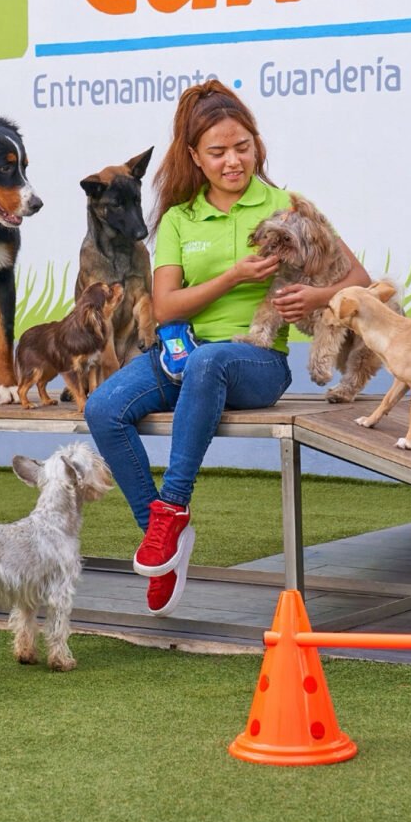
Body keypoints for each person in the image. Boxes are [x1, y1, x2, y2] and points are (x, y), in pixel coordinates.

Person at [84, 80, 370, 616]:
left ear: (256, 145)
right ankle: (162, 535)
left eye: (242, 147)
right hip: (181, 354)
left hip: (255, 362)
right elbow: (166, 308)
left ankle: (173, 504)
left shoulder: (286, 205)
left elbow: (360, 278)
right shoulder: (179, 218)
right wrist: (234, 276)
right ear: (195, 157)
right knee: (103, 407)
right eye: (217, 152)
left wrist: (316, 295)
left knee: (210, 360)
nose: (233, 161)